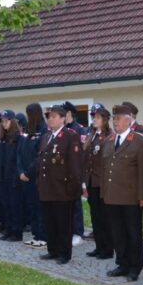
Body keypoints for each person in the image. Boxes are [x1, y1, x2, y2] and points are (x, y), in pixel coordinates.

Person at [102, 103, 143, 280]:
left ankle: (135, 267)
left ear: (129, 121)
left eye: (119, 118)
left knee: (133, 233)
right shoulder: (109, 141)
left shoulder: (140, 141)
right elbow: (106, 169)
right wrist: (104, 194)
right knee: (118, 233)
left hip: (131, 197)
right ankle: (122, 263)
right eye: (114, 118)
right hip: (112, 196)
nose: (115, 121)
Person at [37, 104, 83, 264]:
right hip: (47, 188)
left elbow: (75, 166)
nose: (50, 119)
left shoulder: (71, 136)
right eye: (49, 116)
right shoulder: (46, 137)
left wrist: (73, 189)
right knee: (50, 222)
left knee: (63, 224)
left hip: (63, 189)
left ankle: (64, 253)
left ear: (63, 118)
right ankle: (53, 250)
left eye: (54, 116)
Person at [83, 104, 114, 260]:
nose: (93, 120)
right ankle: (99, 245)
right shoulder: (92, 135)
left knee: (105, 217)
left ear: (105, 120)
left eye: (97, 117)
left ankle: (107, 248)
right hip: (91, 182)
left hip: (102, 183)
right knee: (95, 216)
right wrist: (84, 183)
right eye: (93, 117)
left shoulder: (109, 137)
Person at [18, 102, 48, 248]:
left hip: (36, 176)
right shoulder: (28, 131)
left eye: (30, 113)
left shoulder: (43, 130)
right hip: (25, 176)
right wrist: (21, 171)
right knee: (31, 206)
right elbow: (20, 152)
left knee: (39, 207)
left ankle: (43, 235)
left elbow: (40, 155)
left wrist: (28, 171)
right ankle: (36, 234)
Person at [0, 110, 25, 241]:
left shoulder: (18, 137)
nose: (4, 123)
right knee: (5, 205)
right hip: (3, 177)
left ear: (12, 121)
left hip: (13, 178)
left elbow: (20, 158)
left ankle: (16, 232)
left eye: (6, 120)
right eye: (2, 121)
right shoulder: (2, 138)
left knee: (14, 206)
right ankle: (8, 229)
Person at [63, 101, 87, 246]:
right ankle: (68, 230)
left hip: (76, 173)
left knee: (76, 205)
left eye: (62, 114)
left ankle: (78, 232)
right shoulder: (63, 130)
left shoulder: (79, 130)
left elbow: (82, 154)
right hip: (63, 173)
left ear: (68, 114)